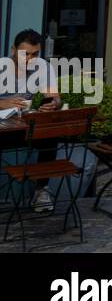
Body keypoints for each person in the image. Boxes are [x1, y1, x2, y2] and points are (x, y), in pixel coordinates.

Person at [0, 30, 61, 212]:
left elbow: (55, 97)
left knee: (50, 135)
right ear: (13, 49)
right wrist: (2, 103)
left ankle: (41, 190)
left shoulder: (42, 66)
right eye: (25, 54)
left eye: (35, 54)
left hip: (23, 126)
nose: (29, 59)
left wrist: (53, 104)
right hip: (2, 128)